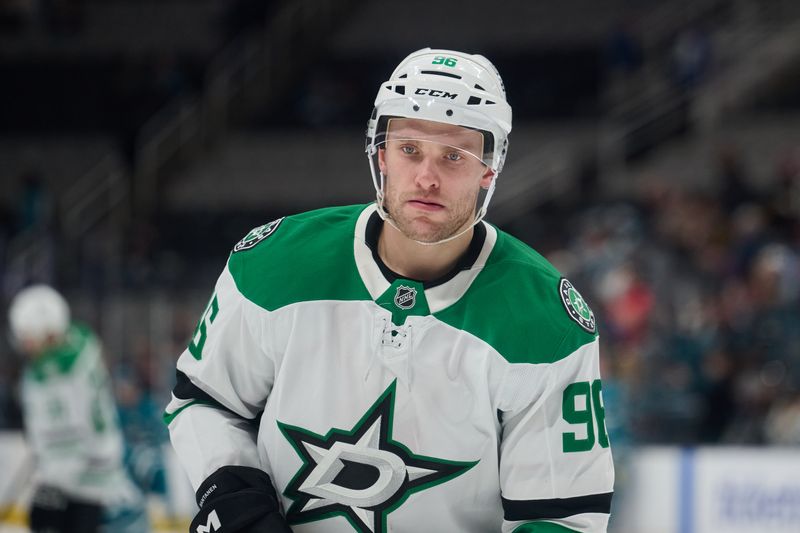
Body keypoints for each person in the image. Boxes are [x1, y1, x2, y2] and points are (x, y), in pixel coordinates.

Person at [165, 48, 615, 532]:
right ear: (380, 152)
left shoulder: (546, 321)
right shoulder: (274, 265)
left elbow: (562, 517)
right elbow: (206, 400)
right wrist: (233, 503)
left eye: (453, 156)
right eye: (409, 150)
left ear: (490, 168)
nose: (427, 176)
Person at [8, 284, 149, 533]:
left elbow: (69, 430)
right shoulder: (82, 346)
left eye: (28, 336)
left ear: (47, 332)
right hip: (94, 474)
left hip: (79, 478)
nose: (26, 345)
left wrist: (51, 475)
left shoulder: (54, 373)